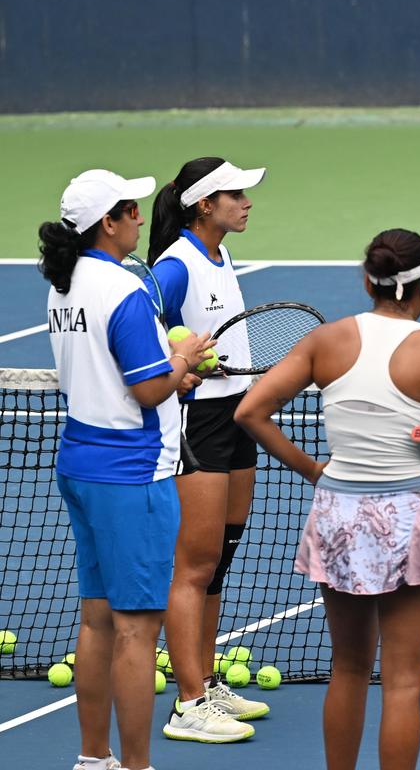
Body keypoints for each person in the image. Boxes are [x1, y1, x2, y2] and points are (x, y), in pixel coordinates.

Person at [235, 229, 420, 770]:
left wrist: (313, 470)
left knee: (347, 668)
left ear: (368, 280)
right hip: (414, 518)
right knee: (401, 683)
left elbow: (249, 412)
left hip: (339, 512)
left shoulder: (326, 342)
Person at [39, 170, 214, 770]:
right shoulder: (123, 290)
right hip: (132, 475)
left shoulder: (63, 286)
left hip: (80, 465)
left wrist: (172, 373)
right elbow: (146, 392)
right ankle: (136, 766)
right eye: (129, 209)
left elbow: (116, 379)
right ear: (106, 224)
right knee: (138, 631)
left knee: (96, 621)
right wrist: (184, 360)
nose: (142, 216)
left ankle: (94, 759)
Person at [148, 157, 267, 742]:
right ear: (203, 204)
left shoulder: (218, 255)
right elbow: (140, 324)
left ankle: (208, 678)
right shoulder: (176, 265)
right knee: (193, 564)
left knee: (221, 554)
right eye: (235, 194)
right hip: (197, 422)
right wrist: (178, 367)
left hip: (237, 413)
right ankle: (186, 701)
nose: (246, 202)